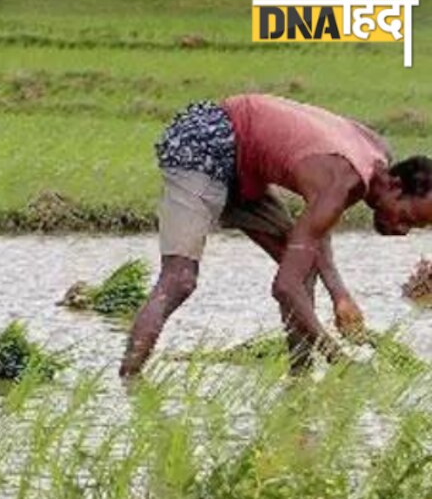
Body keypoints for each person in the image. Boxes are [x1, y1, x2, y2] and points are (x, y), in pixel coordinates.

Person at [120, 93, 432, 380]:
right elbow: (284, 287)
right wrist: (340, 362)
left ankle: (300, 380)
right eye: (406, 217)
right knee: (179, 279)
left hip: (244, 164)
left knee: (303, 266)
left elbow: (315, 228)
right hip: (205, 141)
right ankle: (129, 381)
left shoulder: (375, 154)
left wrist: (340, 295)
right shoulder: (341, 183)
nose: (401, 230)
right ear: (394, 185)